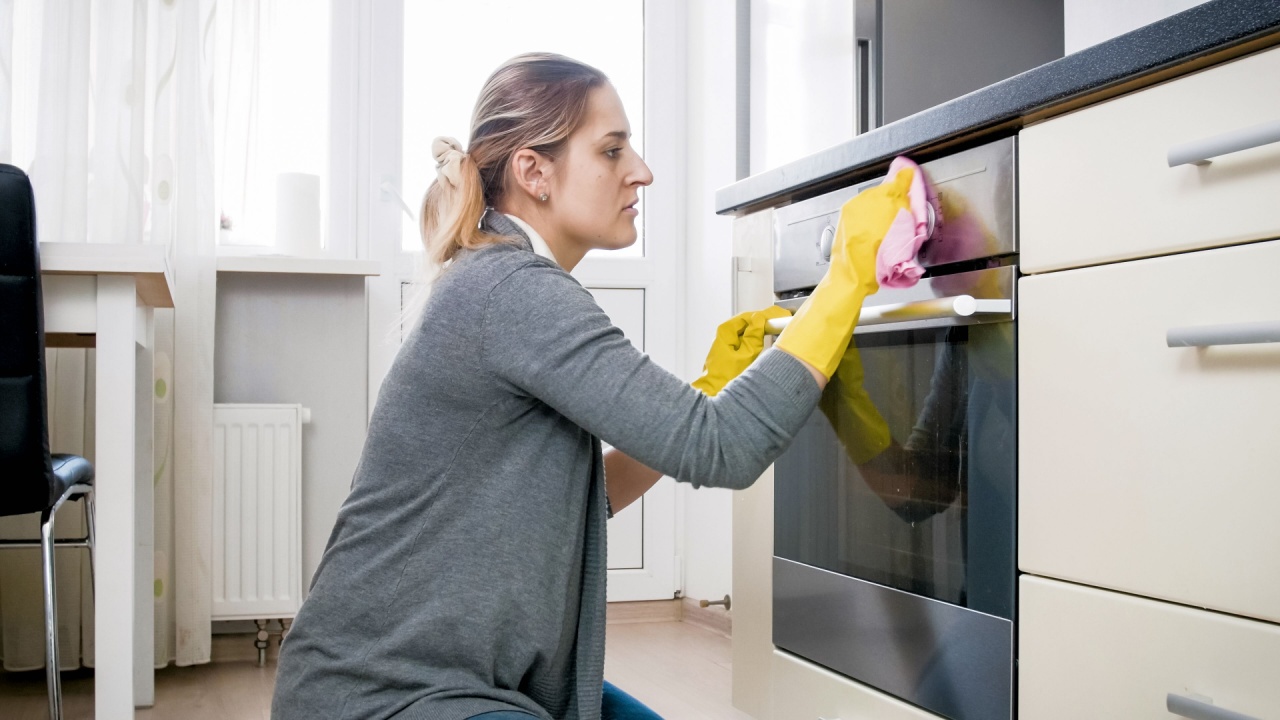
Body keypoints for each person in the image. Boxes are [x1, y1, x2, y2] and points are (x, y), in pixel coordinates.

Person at [270, 52, 910, 720]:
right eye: (611, 150)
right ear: (534, 172)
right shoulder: (514, 291)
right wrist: (846, 275)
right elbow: (725, 448)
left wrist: (706, 388)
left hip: (467, 682)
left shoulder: (499, 278)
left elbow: (569, 499)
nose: (642, 171)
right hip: (381, 694)